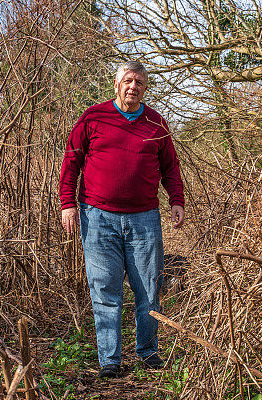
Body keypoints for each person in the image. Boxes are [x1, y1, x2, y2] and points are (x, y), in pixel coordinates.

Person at [59, 61, 185, 379]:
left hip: (144, 218)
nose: (133, 87)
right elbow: (71, 160)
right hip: (97, 217)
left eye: (140, 82)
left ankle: (148, 353)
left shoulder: (156, 124)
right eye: (128, 81)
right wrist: (67, 203)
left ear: (145, 88)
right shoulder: (94, 117)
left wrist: (176, 200)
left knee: (148, 288)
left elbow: (170, 168)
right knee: (105, 289)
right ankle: (110, 360)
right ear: (116, 85)